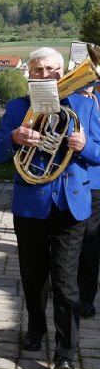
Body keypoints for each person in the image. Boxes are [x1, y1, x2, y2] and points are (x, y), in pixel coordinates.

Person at [0, 47, 100, 369]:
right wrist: (13, 137)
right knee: (33, 276)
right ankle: (36, 328)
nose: (45, 75)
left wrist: (85, 146)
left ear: (63, 72)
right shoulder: (17, 107)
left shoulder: (85, 105)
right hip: (30, 205)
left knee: (66, 282)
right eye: (38, 70)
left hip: (70, 205)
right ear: (29, 74)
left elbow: (99, 153)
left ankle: (66, 352)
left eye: (52, 69)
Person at [78, 87, 100, 318]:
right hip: (71, 179)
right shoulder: (69, 100)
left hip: (95, 181)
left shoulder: (96, 102)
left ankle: (86, 296)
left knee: (90, 241)